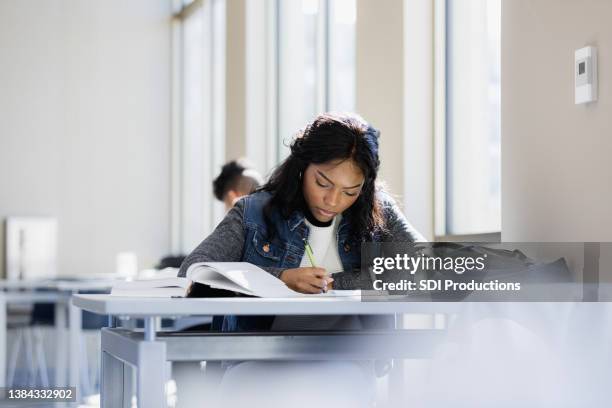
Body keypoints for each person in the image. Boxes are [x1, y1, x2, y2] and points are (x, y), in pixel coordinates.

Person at [178, 112, 425, 406]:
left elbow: (423, 263)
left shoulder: (376, 207)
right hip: (259, 357)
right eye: (323, 183)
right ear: (301, 167)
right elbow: (195, 270)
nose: (333, 201)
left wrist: (336, 283)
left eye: (350, 191)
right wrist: (281, 278)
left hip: (348, 359)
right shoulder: (253, 212)